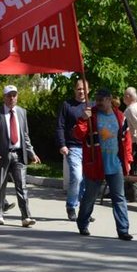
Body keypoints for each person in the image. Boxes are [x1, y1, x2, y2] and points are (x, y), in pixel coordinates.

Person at [72, 88, 133, 240]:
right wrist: (83, 119)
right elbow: (78, 134)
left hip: (115, 164)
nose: (98, 102)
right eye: (97, 99)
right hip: (95, 164)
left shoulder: (119, 116)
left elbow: (127, 140)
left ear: (109, 99)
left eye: (102, 99)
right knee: (90, 196)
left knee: (119, 197)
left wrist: (129, 160)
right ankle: (83, 223)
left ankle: (123, 230)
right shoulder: (90, 115)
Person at [0, 85, 41, 227]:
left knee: (22, 186)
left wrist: (32, 153)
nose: (12, 98)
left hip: (18, 154)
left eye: (14, 95)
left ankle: (26, 216)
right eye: (9, 95)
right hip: (2, 155)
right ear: (4, 97)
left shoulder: (22, 112)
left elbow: (25, 136)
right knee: (0, 185)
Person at [56, 79, 89, 221]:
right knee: (76, 176)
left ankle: (84, 210)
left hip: (89, 148)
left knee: (86, 180)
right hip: (73, 147)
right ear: (75, 90)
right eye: (78, 89)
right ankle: (71, 205)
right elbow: (60, 126)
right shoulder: (67, 105)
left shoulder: (91, 106)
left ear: (88, 90)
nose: (81, 91)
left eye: (84, 89)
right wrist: (62, 144)